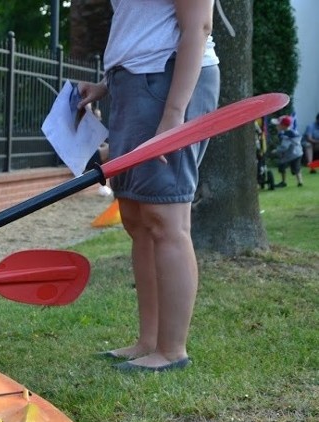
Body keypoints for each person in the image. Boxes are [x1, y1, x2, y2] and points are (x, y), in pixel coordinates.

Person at [76, 0, 220, 373]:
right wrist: (107, 86)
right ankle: (148, 341)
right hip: (134, 85)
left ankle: (172, 351)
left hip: (170, 83)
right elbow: (144, 24)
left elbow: (198, 25)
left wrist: (173, 115)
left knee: (164, 216)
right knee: (137, 218)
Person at [270, 115, 304, 188]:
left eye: (278, 125)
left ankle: (284, 182)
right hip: (297, 153)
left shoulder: (286, 135)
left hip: (290, 155)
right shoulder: (292, 132)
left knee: (283, 166)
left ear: (283, 126)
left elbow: (284, 147)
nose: (276, 126)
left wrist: (276, 150)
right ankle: (300, 182)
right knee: (296, 168)